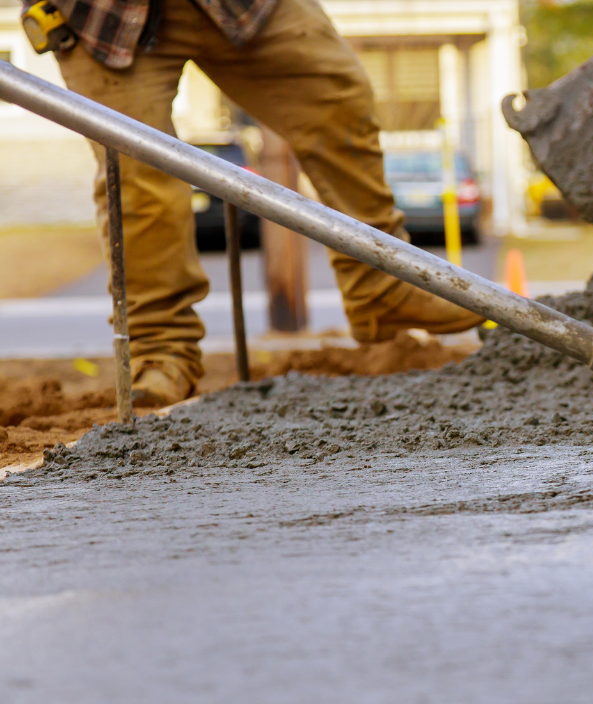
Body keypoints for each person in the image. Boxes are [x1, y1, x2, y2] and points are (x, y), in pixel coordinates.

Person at [26, 0, 484, 405]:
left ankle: (383, 288)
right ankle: (160, 351)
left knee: (337, 99)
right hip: (103, 14)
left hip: (245, 6)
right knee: (138, 177)